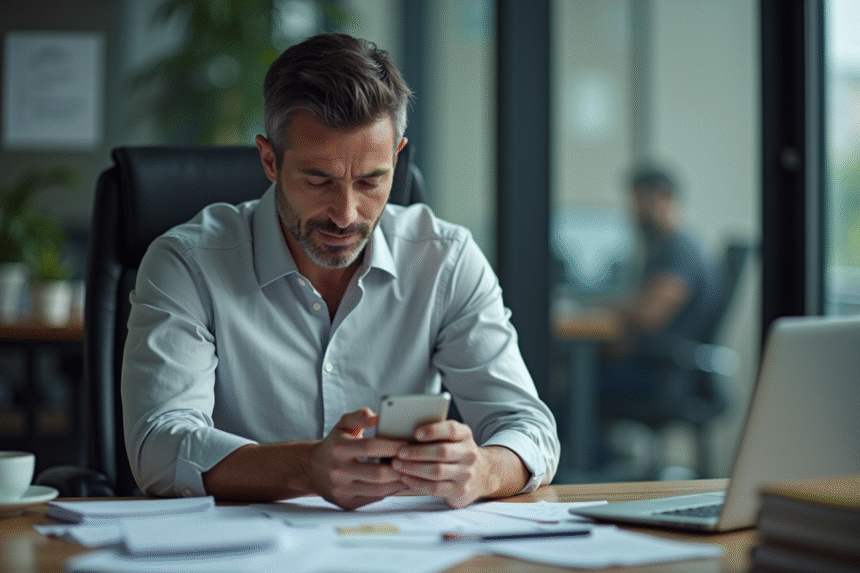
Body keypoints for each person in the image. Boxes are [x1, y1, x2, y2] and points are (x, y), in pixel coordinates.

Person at [121, 33, 559, 510]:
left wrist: (483, 469)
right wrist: (305, 467)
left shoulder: (445, 260)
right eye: (318, 180)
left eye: (371, 181)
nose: (346, 214)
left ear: (397, 157)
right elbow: (159, 450)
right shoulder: (188, 262)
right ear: (269, 159)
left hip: (403, 548)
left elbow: (529, 429)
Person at [599, 165, 721, 420]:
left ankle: (595, 458)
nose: (633, 213)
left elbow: (649, 315)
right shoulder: (667, 248)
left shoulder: (679, 251)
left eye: (638, 202)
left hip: (667, 377)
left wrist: (608, 306)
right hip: (664, 369)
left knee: (572, 388)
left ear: (663, 197)